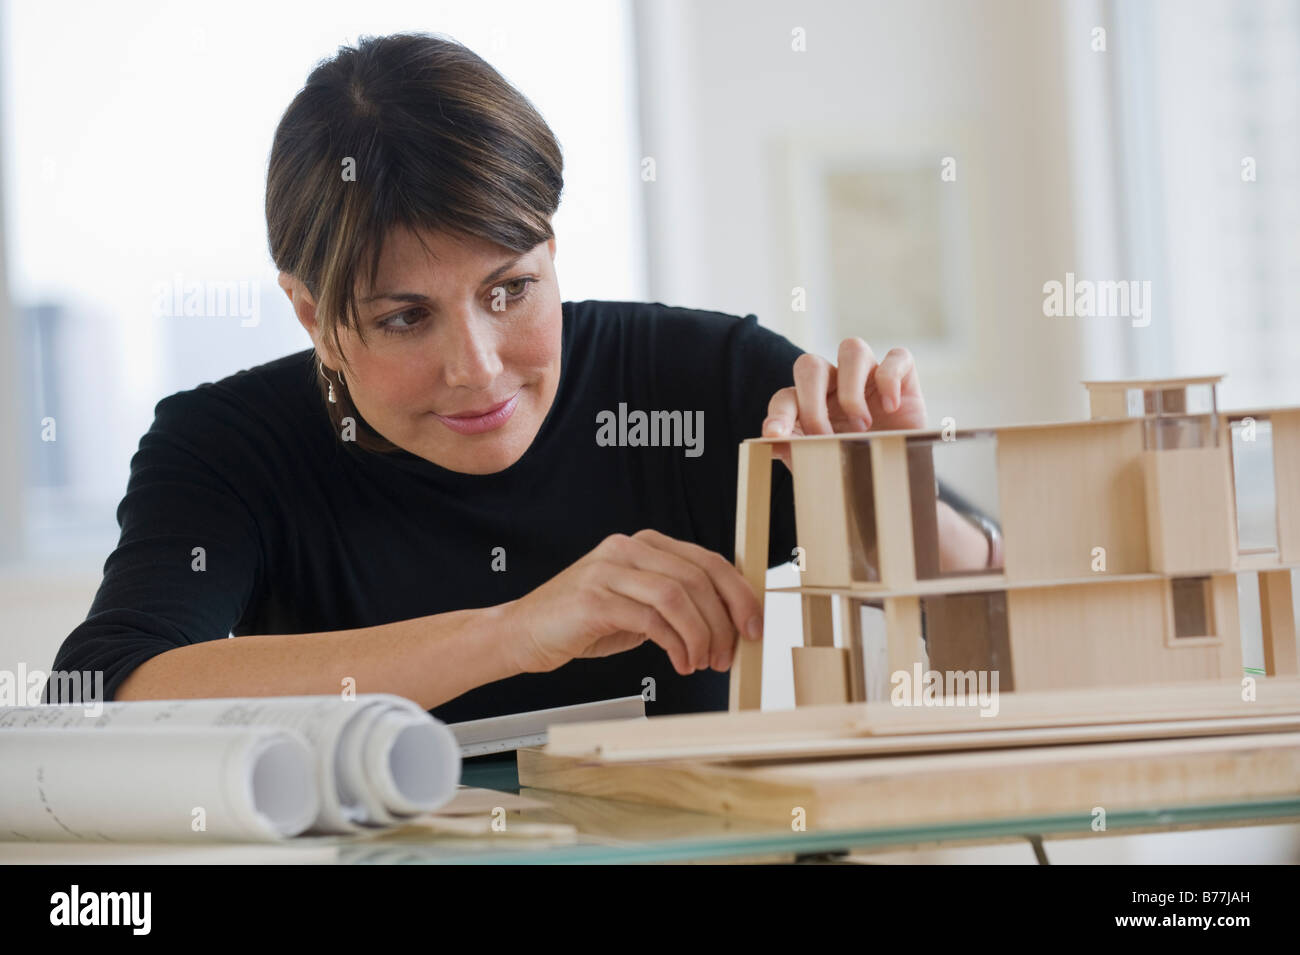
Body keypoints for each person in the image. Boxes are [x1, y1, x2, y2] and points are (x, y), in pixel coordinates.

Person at [46, 33, 993, 722]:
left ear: (551, 247)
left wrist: (905, 517)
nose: (478, 367)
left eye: (510, 290)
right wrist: (516, 631)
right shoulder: (226, 447)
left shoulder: (704, 380)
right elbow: (104, 696)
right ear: (310, 315)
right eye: (404, 317)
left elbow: (1003, 627)